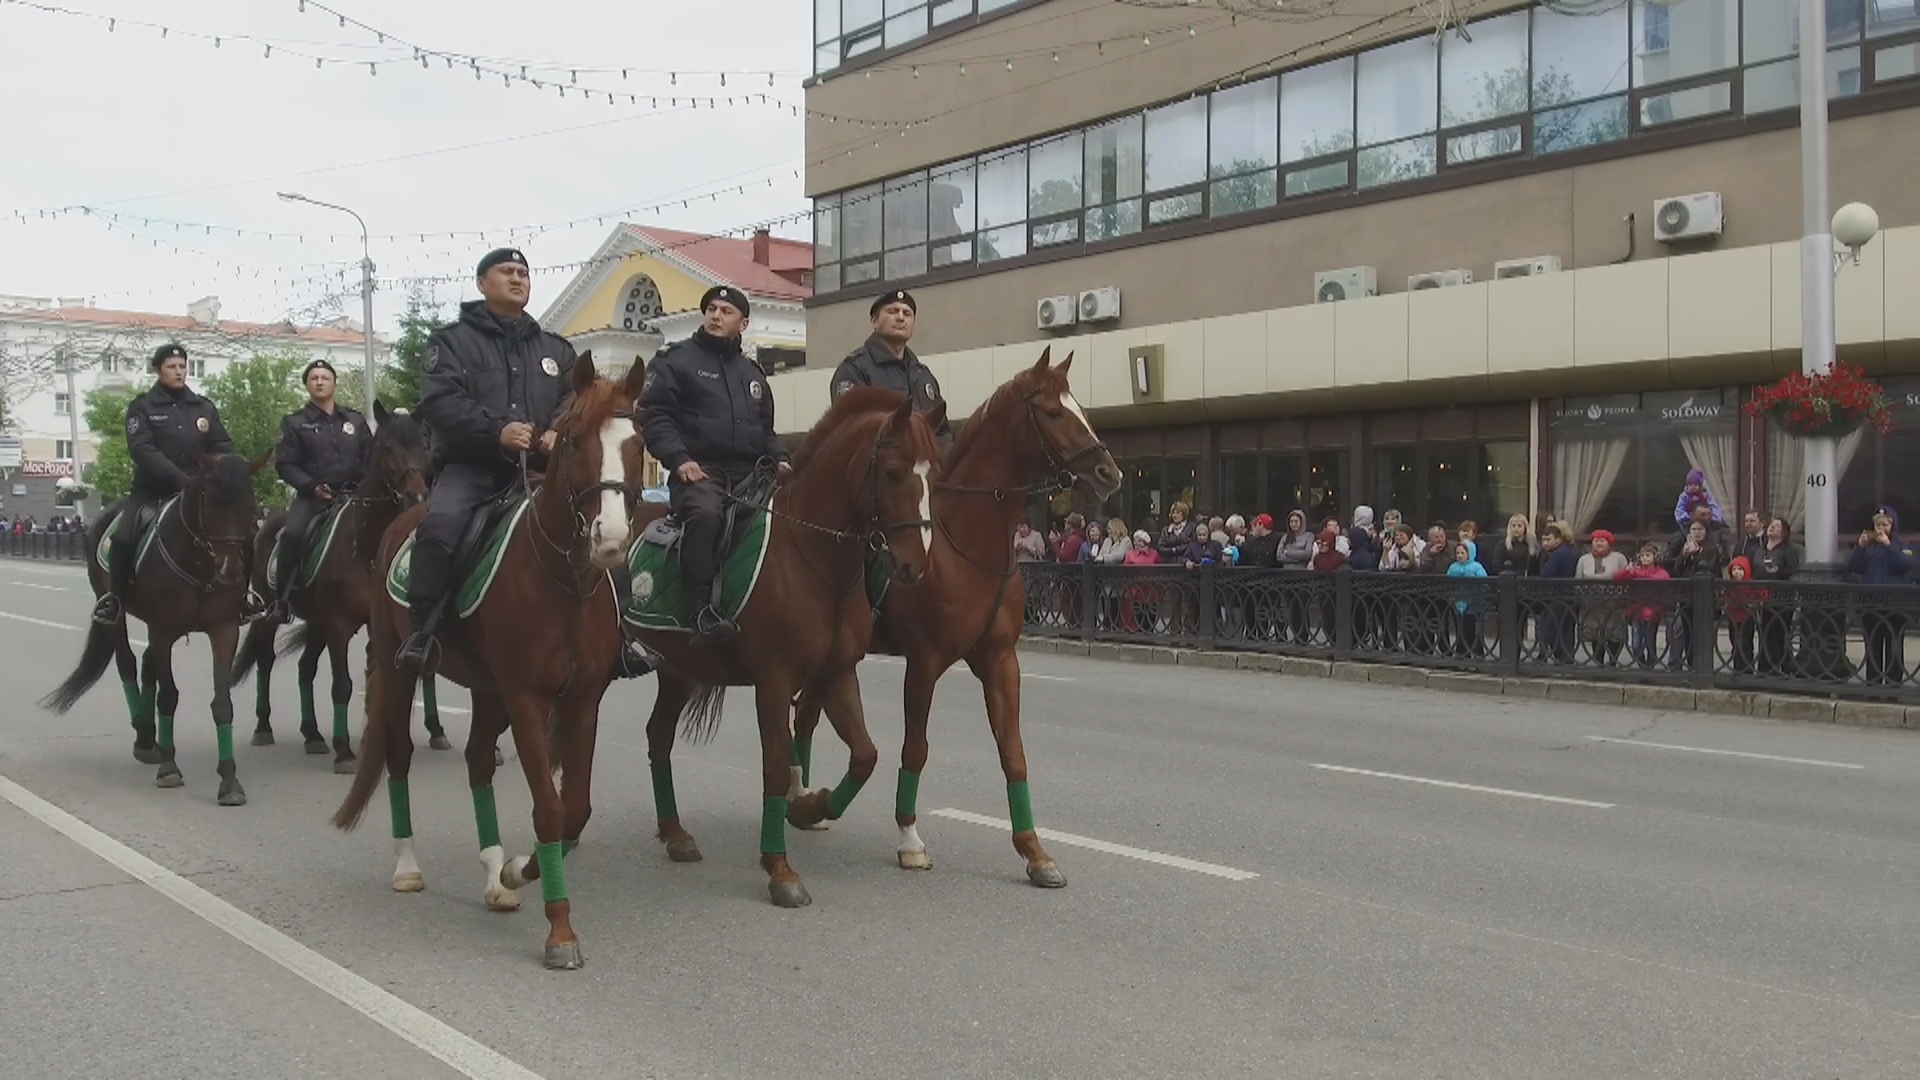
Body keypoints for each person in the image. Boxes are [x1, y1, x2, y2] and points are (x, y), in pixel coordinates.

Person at [399, 247, 650, 679]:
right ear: (482, 283)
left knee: (602, 528)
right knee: (440, 528)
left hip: (541, 470)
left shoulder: (556, 349)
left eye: (524, 273)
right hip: (473, 469)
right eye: (507, 272)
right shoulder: (451, 343)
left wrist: (552, 432)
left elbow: (575, 399)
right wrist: (496, 431)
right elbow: (441, 403)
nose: (518, 279)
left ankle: (625, 636)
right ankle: (423, 632)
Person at [638, 285, 790, 646]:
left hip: (753, 475)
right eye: (712, 309)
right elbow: (654, 416)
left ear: (744, 323)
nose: (716, 315)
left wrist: (782, 457)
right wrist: (680, 460)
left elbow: (764, 430)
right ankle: (701, 608)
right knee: (706, 516)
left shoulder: (752, 373)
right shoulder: (675, 360)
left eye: (726, 311)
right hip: (701, 472)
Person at [93, 343, 255, 625]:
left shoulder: (204, 407)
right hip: (151, 492)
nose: (179, 372)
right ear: (158, 371)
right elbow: (142, 449)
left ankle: (242, 599)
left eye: (182, 367)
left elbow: (221, 445)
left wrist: (215, 469)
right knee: (124, 537)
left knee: (241, 534)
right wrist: (179, 478)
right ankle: (116, 600)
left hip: (201, 494)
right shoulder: (142, 407)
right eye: (172, 367)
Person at [265, 359, 372, 624]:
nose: (320, 381)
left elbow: (372, 458)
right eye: (314, 378)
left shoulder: (355, 420)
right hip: (313, 497)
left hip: (355, 496)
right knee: (291, 535)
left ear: (335, 383)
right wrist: (311, 486)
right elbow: (285, 464)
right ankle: (282, 600)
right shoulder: (294, 423)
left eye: (325, 377)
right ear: (306, 385)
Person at [831, 289, 954, 448]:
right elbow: (850, 429)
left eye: (907, 313)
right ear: (875, 321)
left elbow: (942, 433)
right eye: (892, 311)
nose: (901, 318)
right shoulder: (855, 369)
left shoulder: (923, 376)